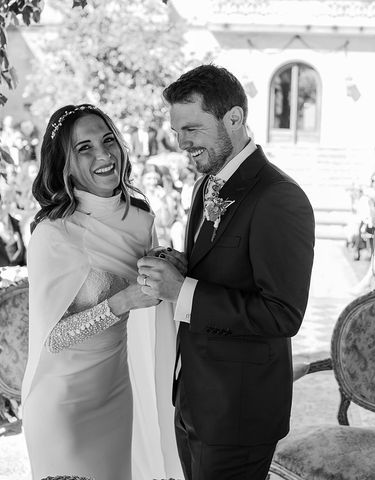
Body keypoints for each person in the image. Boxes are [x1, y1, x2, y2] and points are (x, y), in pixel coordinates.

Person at [137, 65, 315, 479]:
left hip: (240, 413)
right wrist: (182, 265)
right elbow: (220, 270)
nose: (182, 143)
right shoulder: (206, 186)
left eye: (192, 129)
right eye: (178, 130)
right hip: (194, 399)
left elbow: (282, 314)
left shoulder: (279, 198)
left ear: (234, 119)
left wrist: (183, 291)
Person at [21, 104, 180, 480]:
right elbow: (53, 339)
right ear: (66, 163)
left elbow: (155, 291)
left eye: (108, 140)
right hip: (63, 408)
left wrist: (170, 266)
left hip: (116, 393)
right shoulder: (53, 234)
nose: (104, 154)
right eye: (85, 148)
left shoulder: (141, 221)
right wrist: (122, 302)